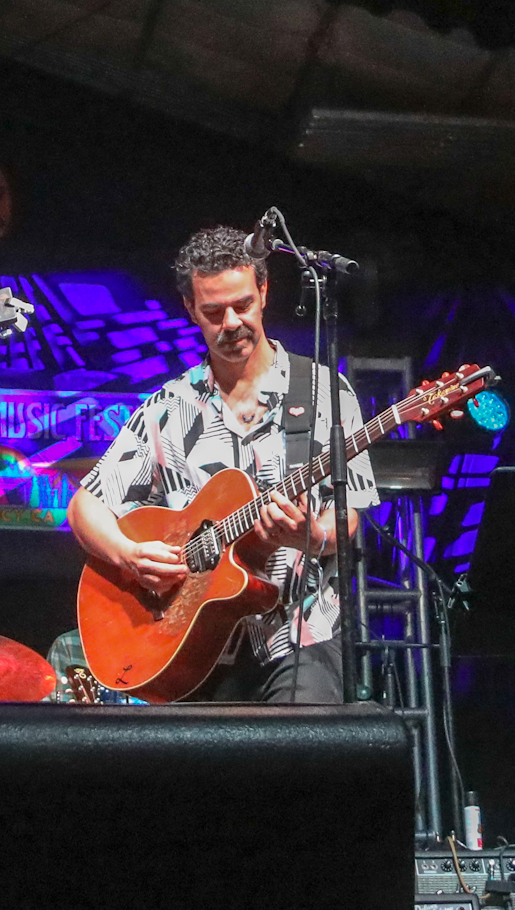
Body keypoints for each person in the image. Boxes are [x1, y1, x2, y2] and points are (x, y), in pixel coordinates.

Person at [67, 225, 377, 703]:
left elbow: (349, 516)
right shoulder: (168, 407)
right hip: (189, 642)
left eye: (243, 305)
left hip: (298, 636)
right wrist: (127, 555)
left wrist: (309, 537)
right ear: (191, 310)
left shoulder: (325, 395)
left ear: (264, 291)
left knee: (302, 762)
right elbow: (86, 504)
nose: (231, 322)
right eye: (213, 312)